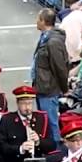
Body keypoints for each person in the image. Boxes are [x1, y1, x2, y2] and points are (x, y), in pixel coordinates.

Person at [32, 8, 69, 142]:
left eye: (38, 19)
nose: (36, 21)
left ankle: (57, 150)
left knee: (52, 122)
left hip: (48, 89)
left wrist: (64, 89)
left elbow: (60, 67)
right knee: (44, 121)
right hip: (42, 86)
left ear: (43, 21)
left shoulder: (53, 42)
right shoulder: (45, 38)